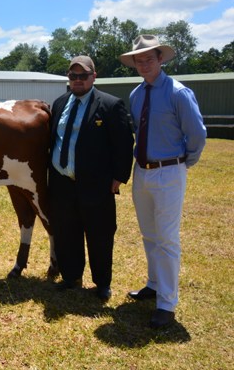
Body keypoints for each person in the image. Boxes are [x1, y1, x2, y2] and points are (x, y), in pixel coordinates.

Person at [120, 35, 206, 328]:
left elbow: (197, 135)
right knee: (149, 234)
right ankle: (154, 284)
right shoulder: (136, 95)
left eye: (149, 58)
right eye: (138, 60)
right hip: (141, 170)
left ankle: (167, 304)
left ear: (161, 59)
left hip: (169, 170)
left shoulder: (178, 93)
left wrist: (181, 164)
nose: (143, 64)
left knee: (167, 239)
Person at [49, 56, 134, 301]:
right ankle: (71, 276)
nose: (77, 80)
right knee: (66, 232)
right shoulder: (59, 103)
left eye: (82, 76)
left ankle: (102, 283)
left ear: (93, 76)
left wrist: (119, 177)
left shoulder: (110, 104)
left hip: (96, 184)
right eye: (72, 76)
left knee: (100, 235)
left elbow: (124, 143)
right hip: (62, 182)